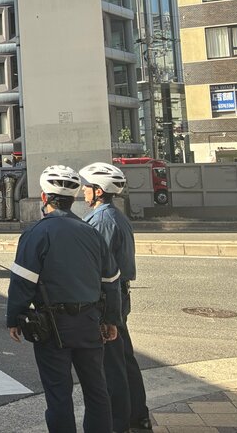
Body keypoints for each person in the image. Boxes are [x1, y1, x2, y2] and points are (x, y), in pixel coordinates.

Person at [6, 165, 122, 433]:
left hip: (52, 327)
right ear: (73, 198)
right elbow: (111, 281)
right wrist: (111, 319)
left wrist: (14, 318)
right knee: (97, 390)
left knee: (59, 394)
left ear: (44, 198)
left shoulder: (36, 234)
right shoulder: (91, 232)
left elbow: (22, 282)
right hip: (90, 322)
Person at [80, 162, 151, 433]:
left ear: (98, 191)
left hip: (107, 298)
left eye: (87, 187)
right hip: (119, 294)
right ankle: (137, 415)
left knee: (111, 364)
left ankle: (118, 422)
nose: (83, 191)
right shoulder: (115, 215)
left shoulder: (101, 221)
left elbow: (99, 267)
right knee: (123, 357)